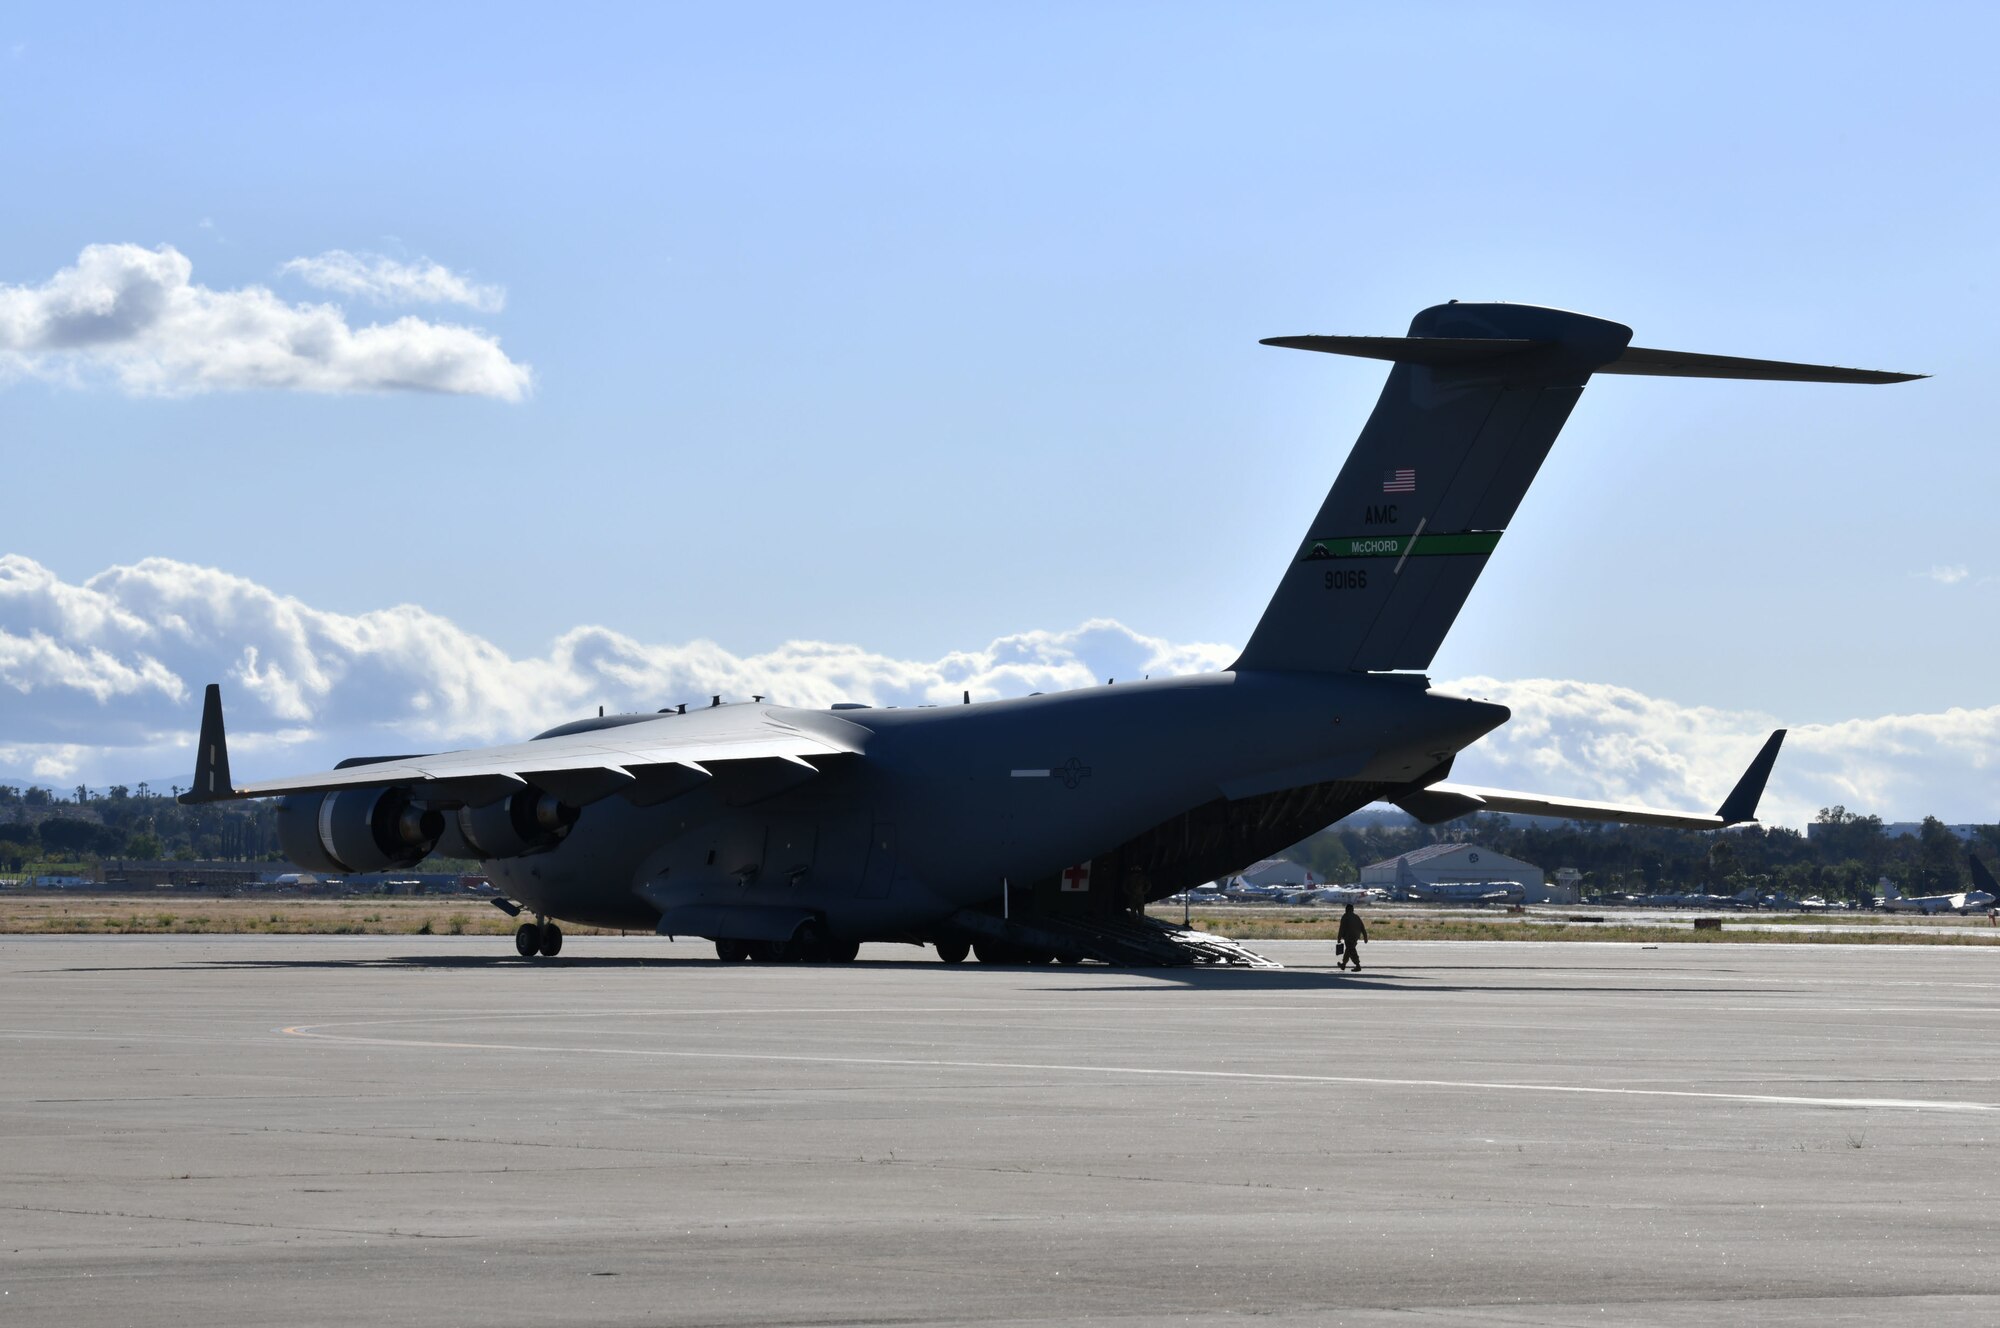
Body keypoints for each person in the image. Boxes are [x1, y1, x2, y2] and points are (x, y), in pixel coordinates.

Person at [1336, 902, 1368, 971]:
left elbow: (1342, 928)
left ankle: (1358, 966)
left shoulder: (1345, 916)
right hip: (1355, 936)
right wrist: (1365, 937)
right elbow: (1362, 927)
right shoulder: (1356, 917)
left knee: (1351, 950)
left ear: (1346, 909)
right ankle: (1343, 965)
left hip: (1349, 937)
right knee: (1348, 950)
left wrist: (1339, 938)